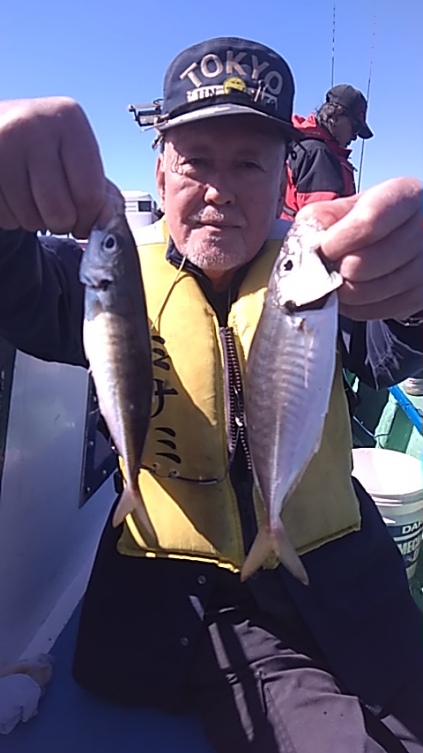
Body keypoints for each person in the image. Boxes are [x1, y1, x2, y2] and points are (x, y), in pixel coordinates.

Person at [0, 36, 423, 753]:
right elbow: (19, 286)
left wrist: (410, 295)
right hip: (199, 608)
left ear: (282, 176)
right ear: (160, 171)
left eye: (249, 163)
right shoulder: (108, 278)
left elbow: (386, 348)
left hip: (353, 586)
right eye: (196, 161)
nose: (219, 190)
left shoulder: (317, 277)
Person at [282, 84, 373, 220]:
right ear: (336, 115)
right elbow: (322, 220)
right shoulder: (318, 153)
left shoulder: (305, 147)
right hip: (306, 234)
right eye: (355, 128)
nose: (355, 137)